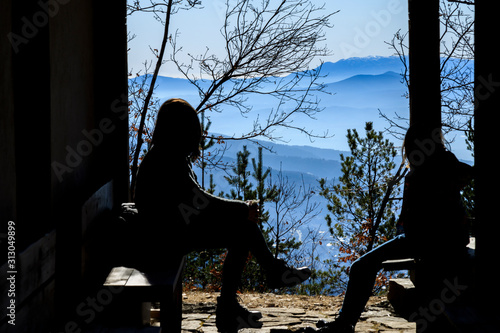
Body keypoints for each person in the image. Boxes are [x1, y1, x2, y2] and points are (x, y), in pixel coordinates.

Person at [133, 98, 311, 333]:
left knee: (241, 229)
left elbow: (195, 201)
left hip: (167, 233)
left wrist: (240, 210)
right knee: (242, 228)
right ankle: (251, 290)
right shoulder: (168, 159)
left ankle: (242, 298)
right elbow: (199, 201)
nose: (196, 135)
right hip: (163, 242)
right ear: (180, 129)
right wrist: (242, 208)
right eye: (191, 129)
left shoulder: (167, 153)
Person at [312, 124, 473, 333]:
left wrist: (403, 233)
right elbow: (466, 175)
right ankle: (345, 323)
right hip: (454, 240)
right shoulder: (449, 164)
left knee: (361, 267)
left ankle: (345, 323)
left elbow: (410, 224)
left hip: (424, 241)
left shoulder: (417, 176)